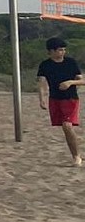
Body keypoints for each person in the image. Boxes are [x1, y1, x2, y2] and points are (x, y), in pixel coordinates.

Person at [37, 37, 84, 167]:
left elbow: (82, 80)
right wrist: (42, 99)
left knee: (67, 126)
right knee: (65, 128)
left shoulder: (71, 63)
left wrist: (70, 82)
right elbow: (41, 83)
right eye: (59, 50)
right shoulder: (45, 65)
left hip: (70, 98)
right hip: (55, 99)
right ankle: (76, 154)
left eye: (64, 50)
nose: (62, 52)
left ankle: (77, 157)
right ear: (51, 51)